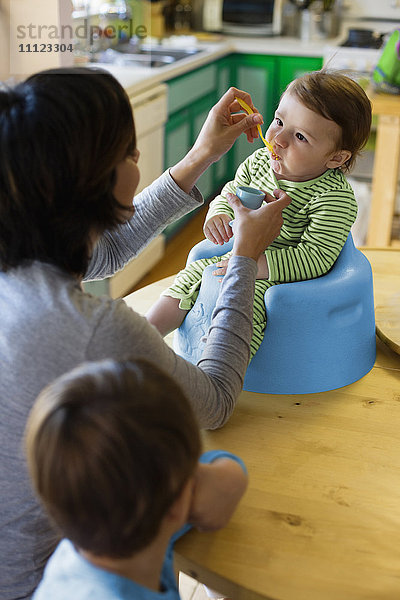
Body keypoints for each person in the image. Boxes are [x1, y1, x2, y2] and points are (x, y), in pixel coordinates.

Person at [0, 67, 290, 599]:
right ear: (92, 182)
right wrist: (247, 258)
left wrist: (202, 154)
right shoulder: (97, 335)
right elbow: (216, 401)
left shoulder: (19, 256)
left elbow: (102, 252)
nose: (139, 163)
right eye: (130, 155)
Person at [146, 70, 372, 359]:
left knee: (249, 301)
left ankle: (218, 362)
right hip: (245, 256)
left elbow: (315, 258)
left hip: (282, 276)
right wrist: (218, 213)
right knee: (191, 274)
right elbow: (232, 191)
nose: (278, 139)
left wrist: (253, 263)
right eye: (279, 121)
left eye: (300, 136)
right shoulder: (260, 162)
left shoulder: (333, 198)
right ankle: (145, 334)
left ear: (336, 157)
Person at [25, 358, 248, 600]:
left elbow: (222, 473)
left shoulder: (98, 530)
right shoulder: (147, 517)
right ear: (175, 506)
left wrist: (219, 477)